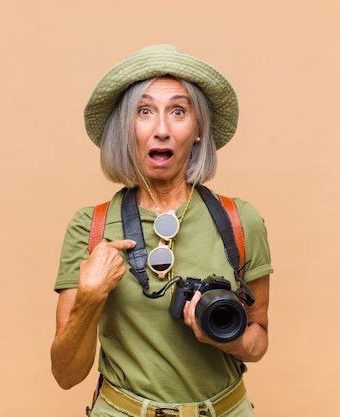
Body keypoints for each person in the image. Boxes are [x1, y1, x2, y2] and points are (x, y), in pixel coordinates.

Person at [51, 44, 273, 417]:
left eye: (178, 111)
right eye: (144, 111)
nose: (162, 130)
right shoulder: (91, 227)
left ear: (198, 128)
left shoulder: (240, 220)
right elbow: (66, 374)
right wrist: (90, 298)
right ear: (126, 128)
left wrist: (224, 338)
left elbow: (259, 340)